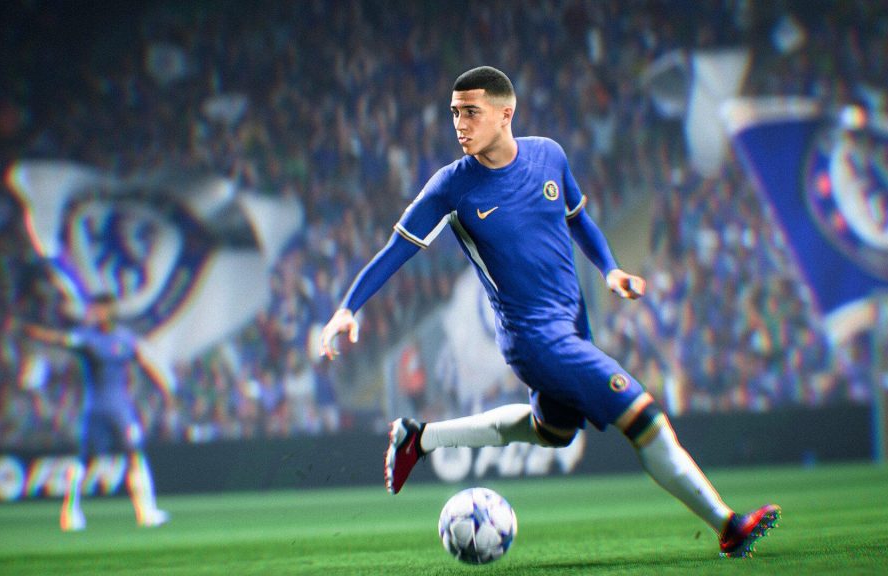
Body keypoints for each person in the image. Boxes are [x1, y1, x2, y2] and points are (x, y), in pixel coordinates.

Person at [319, 66, 779, 558]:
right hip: (534, 339)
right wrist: (348, 307)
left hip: (572, 324)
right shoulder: (451, 188)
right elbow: (396, 250)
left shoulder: (549, 156)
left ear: (505, 114)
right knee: (644, 418)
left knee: (552, 433)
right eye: (455, 113)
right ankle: (728, 525)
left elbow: (579, 220)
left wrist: (610, 270)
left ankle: (420, 439)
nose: (460, 125)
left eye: (471, 112)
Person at [25, 293, 172, 531]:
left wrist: (164, 388)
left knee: (135, 455)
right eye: (95, 309)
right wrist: (38, 334)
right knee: (84, 460)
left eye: (101, 308)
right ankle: (70, 512)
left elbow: (143, 363)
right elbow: (61, 339)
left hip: (121, 409)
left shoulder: (125, 338)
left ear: (111, 310)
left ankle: (146, 512)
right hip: (96, 408)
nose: (97, 313)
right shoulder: (86, 338)